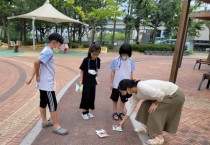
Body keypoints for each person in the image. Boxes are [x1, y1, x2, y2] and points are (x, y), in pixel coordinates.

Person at [118, 79, 185, 145]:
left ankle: (160, 138)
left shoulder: (142, 87)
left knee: (154, 110)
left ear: (128, 89)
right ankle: (146, 128)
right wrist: (123, 121)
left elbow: (161, 95)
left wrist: (156, 103)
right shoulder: (135, 94)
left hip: (175, 95)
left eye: (122, 92)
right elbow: (132, 107)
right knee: (145, 104)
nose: (122, 94)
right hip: (164, 95)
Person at [26, 33, 68, 135]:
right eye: (59, 44)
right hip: (47, 84)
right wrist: (36, 76)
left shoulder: (45, 49)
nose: (60, 47)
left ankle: (44, 121)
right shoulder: (49, 52)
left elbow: (36, 62)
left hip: (43, 83)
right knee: (52, 103)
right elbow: (36, 63)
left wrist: (32, 77)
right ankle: (56, 126)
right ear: (54, 42)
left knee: (43, 101)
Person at [109, 43, 135, 120]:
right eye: (123, 53)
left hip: (126, 85)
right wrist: (111, 82)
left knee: (123, 100)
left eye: (126, 54)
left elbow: (131, 72)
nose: (124, 55)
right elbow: (112, 72)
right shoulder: (116, 60)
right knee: (115, 99)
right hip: (116, 84)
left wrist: (132, 83)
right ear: (120, 52)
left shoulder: (131, 60)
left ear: (129, 53)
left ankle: (121, 112)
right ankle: (114, 112)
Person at [79, 44, 101, 120]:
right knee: (86, 96)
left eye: (97, 54)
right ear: (90, 52)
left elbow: (97, 70)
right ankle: (84, 112)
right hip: (85, 81)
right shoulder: (86, 60)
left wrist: (97, 78)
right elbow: (81, 70)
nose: (95, 56)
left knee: (92, 96)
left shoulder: (98, 60)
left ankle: (88, 112)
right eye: (94, 54)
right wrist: (81, 80)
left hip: (93, 81)